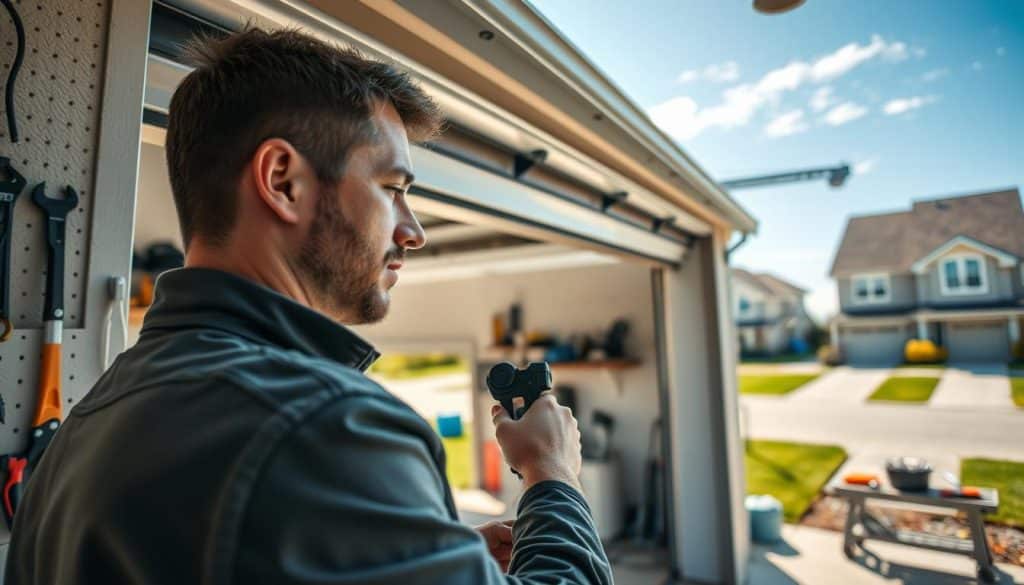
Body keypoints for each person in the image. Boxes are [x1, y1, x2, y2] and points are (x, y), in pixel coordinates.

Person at [4, 27, 611, 585]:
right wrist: (551, 473)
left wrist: (415, 554)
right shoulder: (326, 427)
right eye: (394, 190)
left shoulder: (80, 433)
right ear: (282, 180)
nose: (414, 231)